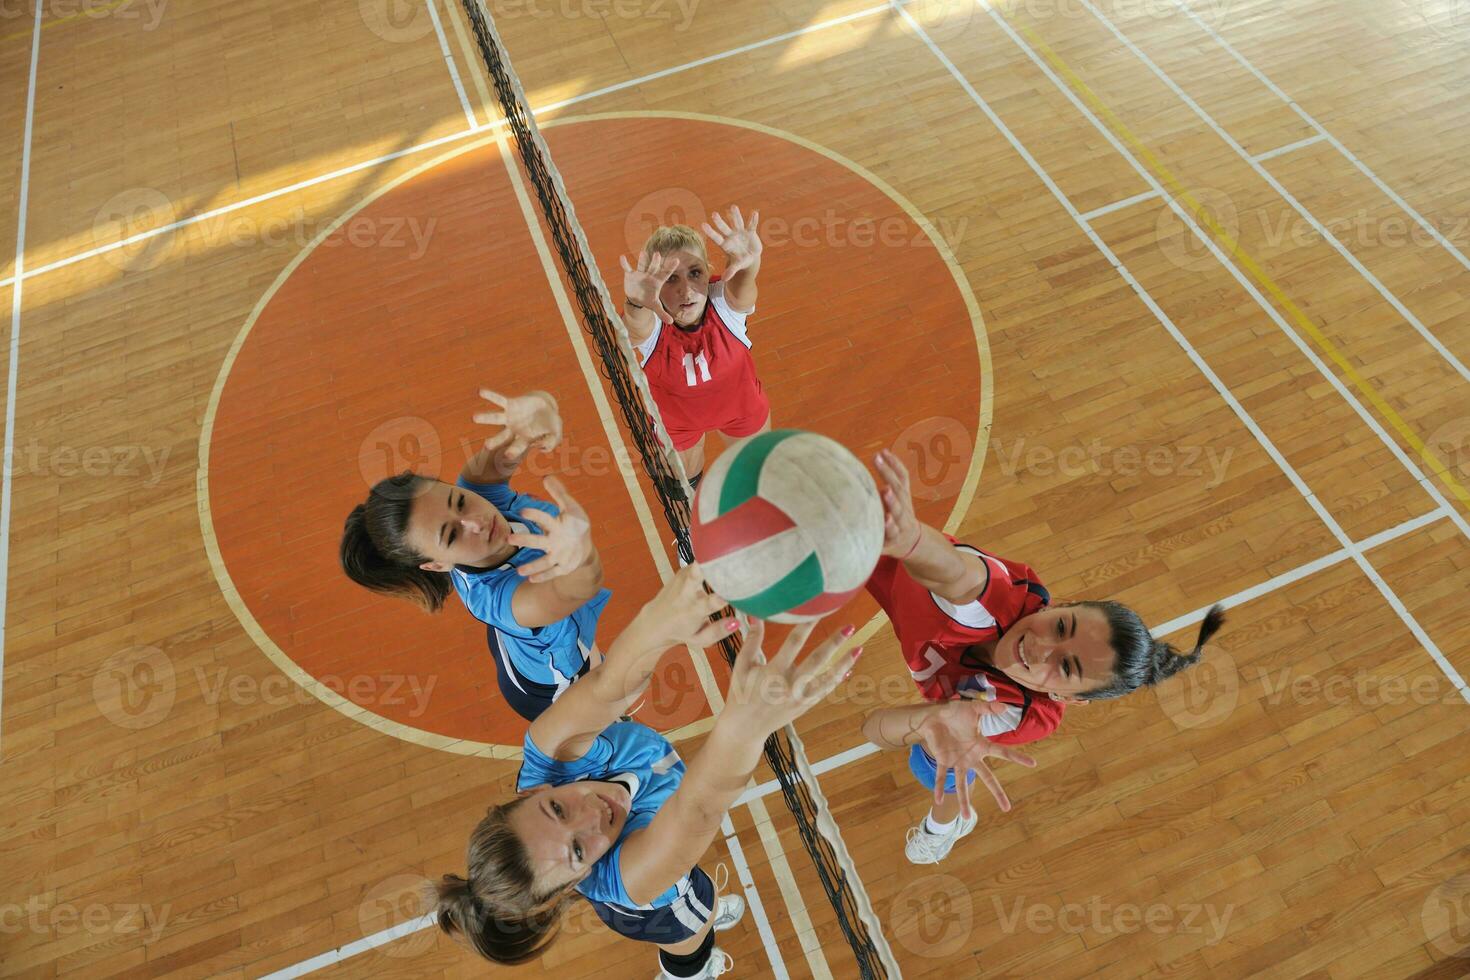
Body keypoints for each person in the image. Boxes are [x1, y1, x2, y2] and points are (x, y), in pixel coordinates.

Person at [435, 564, 861, 978]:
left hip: (653, 849)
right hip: (658, 904)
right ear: (577, 881)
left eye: (558, 810)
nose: (593, 814)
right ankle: (688, 971)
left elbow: (611, 684)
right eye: (579, 851)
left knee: (700, 901)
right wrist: (744, 729)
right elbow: (698, 809)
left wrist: (658, 627)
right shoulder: (635, 877)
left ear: (533, 791)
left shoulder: (551, 752)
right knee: (694, 922)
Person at [861, 448, 1224, 863]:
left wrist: (925, 720)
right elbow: (957, 575)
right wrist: (914, 543)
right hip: (880, 553)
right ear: (1058, 606)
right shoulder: (1003, 597)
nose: (1039, 646)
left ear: (1069, 700)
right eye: (1062, 626)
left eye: (1066, 666)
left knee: (936, 769)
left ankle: (945, 826)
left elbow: (873, 730)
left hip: (948, 699)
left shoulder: (1020, 713)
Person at [340, 389, 610, 720]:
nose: (477, 523)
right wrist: (580, 555)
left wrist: (541, 406)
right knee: (605, 689)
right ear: (437, 564)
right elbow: (580, 587)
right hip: (552, 690)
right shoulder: (502, 599)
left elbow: (521, 433)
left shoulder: (478, 491)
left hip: (517, 648)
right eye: (453, 534)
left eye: (459, 501)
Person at [619, 207, 770, 489]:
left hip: (741, 408)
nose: (686, 290)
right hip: (678, 423)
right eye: (671, 278)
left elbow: (743, 286)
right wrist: (637, 301)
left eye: (695, 273)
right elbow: (636, 325)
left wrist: (750, 262)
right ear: (655, 286)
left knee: (757, 478)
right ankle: (690, 532)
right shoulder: (653, 321)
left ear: (708, 273)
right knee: (681, 488)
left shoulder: (724, 304)